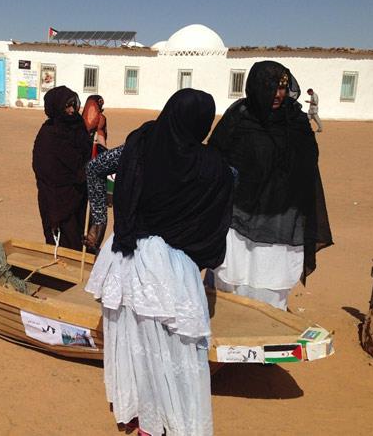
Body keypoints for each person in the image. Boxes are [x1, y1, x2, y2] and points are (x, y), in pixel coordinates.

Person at [86, 89, 234, 436]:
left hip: (125, 258)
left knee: (134, 341)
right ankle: (167, 422)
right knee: (173, 350)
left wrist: (99, 218)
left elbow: (95, 168)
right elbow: (232, 186)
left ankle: (140, 416)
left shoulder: (142, 144)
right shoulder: (211, 165)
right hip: (171, 270)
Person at [208, 61, 333, 311]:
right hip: (239, 218)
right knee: (232, 282)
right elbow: (215, 160)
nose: (278, 94)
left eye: (283, 88)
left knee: (271, 286)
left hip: (281, 219)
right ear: (256, 87)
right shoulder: (239, 117)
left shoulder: (296, 122)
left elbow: (309, 163)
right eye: (271, 87)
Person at [32, 86, 91, 251]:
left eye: (74, 105)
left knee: (81, 240)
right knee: (63, 244)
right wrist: (76, 175)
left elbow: (87, 154)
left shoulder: (78, 126)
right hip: (56, 200)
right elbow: (43, 169)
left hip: (79, 195)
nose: (72, 110)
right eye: (67, 107)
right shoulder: (48, 134)